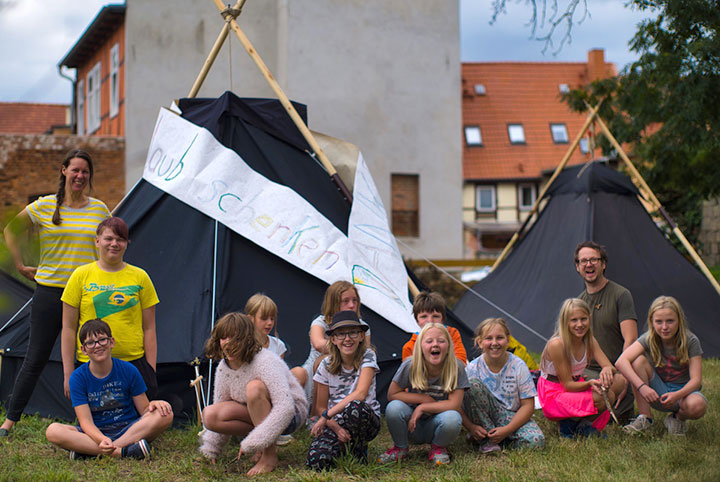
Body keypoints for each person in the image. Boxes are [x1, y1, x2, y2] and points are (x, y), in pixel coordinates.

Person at [0, 149, 110, 437]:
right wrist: (21, 264)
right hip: (50, 291)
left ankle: (97, 420)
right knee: (35, 356)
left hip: (87, 293)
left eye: (85, 171)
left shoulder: (99, 209)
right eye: (75, 170)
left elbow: (111, 241)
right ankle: (9, 421)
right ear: (64, 171)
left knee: (92, 356)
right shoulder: (44, 206)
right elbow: (11, 229)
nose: (80, 176)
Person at [61, 217, 160, 401]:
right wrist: (68, 374)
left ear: (126, 243)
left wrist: (150, 370)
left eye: (120, 239)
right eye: (108, 238)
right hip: (90, 364)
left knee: (141, 420)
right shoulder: (80, 276)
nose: (114, 244)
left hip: (133, 363)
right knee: (98, 422)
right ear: (97, 241)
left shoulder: (141, 277)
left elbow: (150, 328)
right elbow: (68, 328)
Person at [45, 319, 173, 460]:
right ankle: (124, 452)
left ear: (111, 342)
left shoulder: (129, 369)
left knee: (165, 414)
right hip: (95, 432)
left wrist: (154, 404)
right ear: (83, 350)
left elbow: (144, 410)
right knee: (53, 431)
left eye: (102, 340)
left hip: (129, 428)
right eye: (90, 343)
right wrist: (101, 439)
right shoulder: (77, 377)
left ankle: (91, 452)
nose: (97, 346)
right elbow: (86, 422)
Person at [199, 312, 307, 475]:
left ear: (248, 340)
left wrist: (254, 441)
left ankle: (268, 456)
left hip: (291, 416)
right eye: (224, 338)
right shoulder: (224, 367)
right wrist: (210, 450)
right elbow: (221, 405)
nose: (228, 343)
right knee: (210, 415)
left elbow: (286, 408)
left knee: (254, 388)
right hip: (256, 413)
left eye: (235, 339)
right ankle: (261, 442)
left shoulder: (264, 361)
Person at [379, 323, 468, 466]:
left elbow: (454, 404)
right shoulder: (410, 365)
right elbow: (392, 394)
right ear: (420, 346)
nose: (435, 345)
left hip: (438, 424)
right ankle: (400, 447)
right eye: (429, 341)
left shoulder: (456, 367)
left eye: (441, 340)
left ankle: (438, 448)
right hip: (411, 425)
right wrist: (423, 399)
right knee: (394, 407)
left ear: (449, 346)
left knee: (453, 417)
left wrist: (423, 407)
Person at [617, 296, 707, 436]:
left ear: (679, 320)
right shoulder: (649, 338)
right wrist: (643, 387)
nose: (664, 327)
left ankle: (677, 419)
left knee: (698, 406)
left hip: (683, 394)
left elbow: (696, 380)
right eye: (659, 322)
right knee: (637, 361)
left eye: (670, 321)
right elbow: (621, 361)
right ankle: (645, 417)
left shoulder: (691, 341)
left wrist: (677, 395)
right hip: (656, 392)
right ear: (651, 322)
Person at [537, 298, 625, 438]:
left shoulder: (589, 340)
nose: (579, 324)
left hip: (575, 384)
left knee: (619, 380)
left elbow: (609, 366)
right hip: (554, 392)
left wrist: (607, 369)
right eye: (574, 320)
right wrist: (589, 383)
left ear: (589, 319)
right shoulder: (557, 345)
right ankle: (568, 426)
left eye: (583, 319)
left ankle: (583, 425)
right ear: (565, 322)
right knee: (606, 396)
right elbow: (567, 385)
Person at [306, 311, 381, 470]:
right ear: (332, 339)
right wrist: (336, 427)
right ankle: (340, 446)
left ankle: (358, 449)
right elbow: (321, 407)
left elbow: (360, 394)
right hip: (335, 422)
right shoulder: (326, 364)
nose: (347, 339)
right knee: (317, 462)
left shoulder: (368, 356)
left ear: (361, 336)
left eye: (353, 332)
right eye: (340, 334)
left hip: (364, 419)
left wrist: (326, 416)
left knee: (355, 408)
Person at [575, 241, 637, 422]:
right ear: (578, 267)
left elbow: (631, 339)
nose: (589, 264)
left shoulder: (621, 295)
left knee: (600, 397)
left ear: (603, 264)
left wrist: (623, 376)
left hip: (616, 371)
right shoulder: (579, 302)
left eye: (594, 259)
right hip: (586, 373)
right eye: (583, 261)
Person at [462, 318, 545, 453]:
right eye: (489, 338)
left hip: (512, 417)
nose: (494, 343)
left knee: (536, 441)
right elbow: (458, 404)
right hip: (484, 417)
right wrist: (471, 427)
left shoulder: (518, 366)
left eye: (499, 338)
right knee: (472, 385)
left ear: (508, 340)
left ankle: (501, 440)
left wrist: (507, 430)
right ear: (480, 342)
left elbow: (528, 406)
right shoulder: (472, 368)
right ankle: (487, 439)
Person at [290, 281, 370, 417]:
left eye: (354, 300)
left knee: (327, 361)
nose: (352, 305)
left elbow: (364, 352)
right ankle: (291, 417)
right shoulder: (320, 322)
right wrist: (346, 344)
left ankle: (319, 415)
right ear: (334, 303)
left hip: (345, 373)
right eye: (346, 301)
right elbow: (318, 344)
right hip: (313, 374)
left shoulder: (362, 327)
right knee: (303, 370)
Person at [401, 291, 467, 365]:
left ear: (443, 318)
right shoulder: (409, 347)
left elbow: (461, 363)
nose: (430, 321)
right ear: (417, 320)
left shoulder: (452, 334)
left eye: (435, 316)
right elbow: (409, 373)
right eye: (424, 317)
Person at [245, 293, 286, 358]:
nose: (269, 323)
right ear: (250, 319)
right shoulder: (241, 345)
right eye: (264, 318)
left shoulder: (278, 345)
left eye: (272, 318)